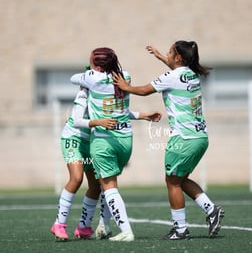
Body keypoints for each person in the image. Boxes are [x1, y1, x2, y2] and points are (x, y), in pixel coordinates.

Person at [112, 41, 224, 240]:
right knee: (180, 179)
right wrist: (160, 57)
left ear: (178, 57)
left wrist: (125, 87)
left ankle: (180, 229)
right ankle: (211, 210)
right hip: (200, 137)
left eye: (169, 51)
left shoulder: (172, 77)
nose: (167, 53)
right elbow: (176, 72)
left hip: (183, 138)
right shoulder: (191, 74)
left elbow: (145, 90)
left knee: (172, 182)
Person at [71, 47, 161, 242]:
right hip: (125, 140)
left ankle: (126, 230)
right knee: (107, 184)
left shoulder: (90, 78)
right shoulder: (124, 76)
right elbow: (119, 109)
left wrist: (91, 71)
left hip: (104, 140)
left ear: (96, 63)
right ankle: (104, 225)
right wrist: (143, 115)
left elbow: (73, 78)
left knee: (109, 186)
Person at [51, 85, 161, 241]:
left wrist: (143, 115)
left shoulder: (105, 90)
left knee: (96, 185)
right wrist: (98, 122)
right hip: (74, 138)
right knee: (76, 178)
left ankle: (84, 226)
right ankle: (59, 224)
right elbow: (76, 120)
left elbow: (120, 113)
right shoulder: (84, 93)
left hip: (93, 141)